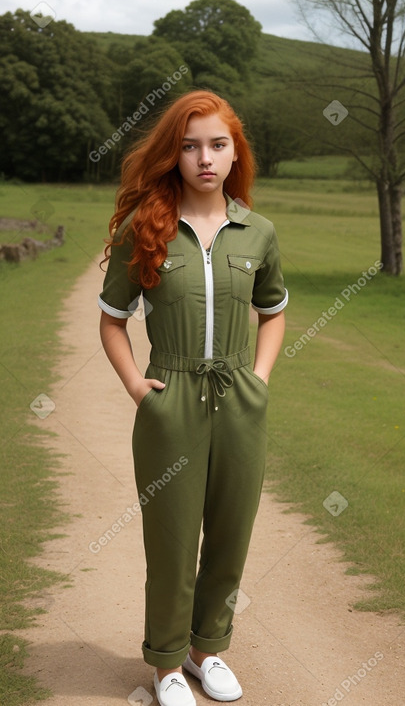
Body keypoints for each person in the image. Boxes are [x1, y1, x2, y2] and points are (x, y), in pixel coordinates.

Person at [98, 90, 288, 706]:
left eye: (217, 145)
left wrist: (258, 375)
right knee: (173, 539)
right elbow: (111, 319)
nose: (204, 158)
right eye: (188, 146)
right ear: (173, 155)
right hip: (170, 398)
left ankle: (208, 653)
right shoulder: (146, 227)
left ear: (236, 155)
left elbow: (274, 311)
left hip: (240, 400)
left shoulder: (257, 233)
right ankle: (166, 665)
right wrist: (135, 386)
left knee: (232, 535)